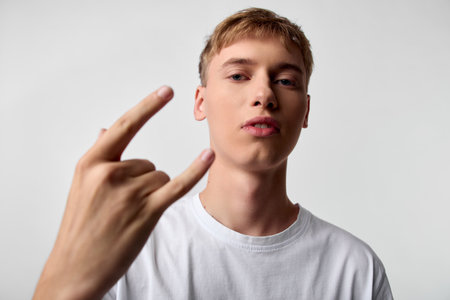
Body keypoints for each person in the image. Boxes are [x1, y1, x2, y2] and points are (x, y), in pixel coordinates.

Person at [33, 8, 393, 300]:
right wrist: (60, 285)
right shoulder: (133, 247)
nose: (264, 95)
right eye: (238, 75)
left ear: (307, 111)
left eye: (285, 80)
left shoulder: (355, 269)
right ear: (201, 102)